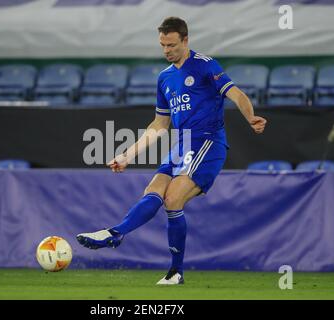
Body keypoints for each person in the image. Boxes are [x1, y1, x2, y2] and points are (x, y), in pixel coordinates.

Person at [77, 17, 267, 285]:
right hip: (181, 145)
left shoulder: (204, 65)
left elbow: (235, 94)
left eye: (172, 44)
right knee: (153, 192)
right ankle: (155, 259)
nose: (166, 50)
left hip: (207, 143)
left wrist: (251, 117)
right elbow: (159, 124)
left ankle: (124, 238)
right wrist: (128, 155)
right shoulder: (164, 78)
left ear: (186, 40)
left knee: (173, 198)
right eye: (162, 45)